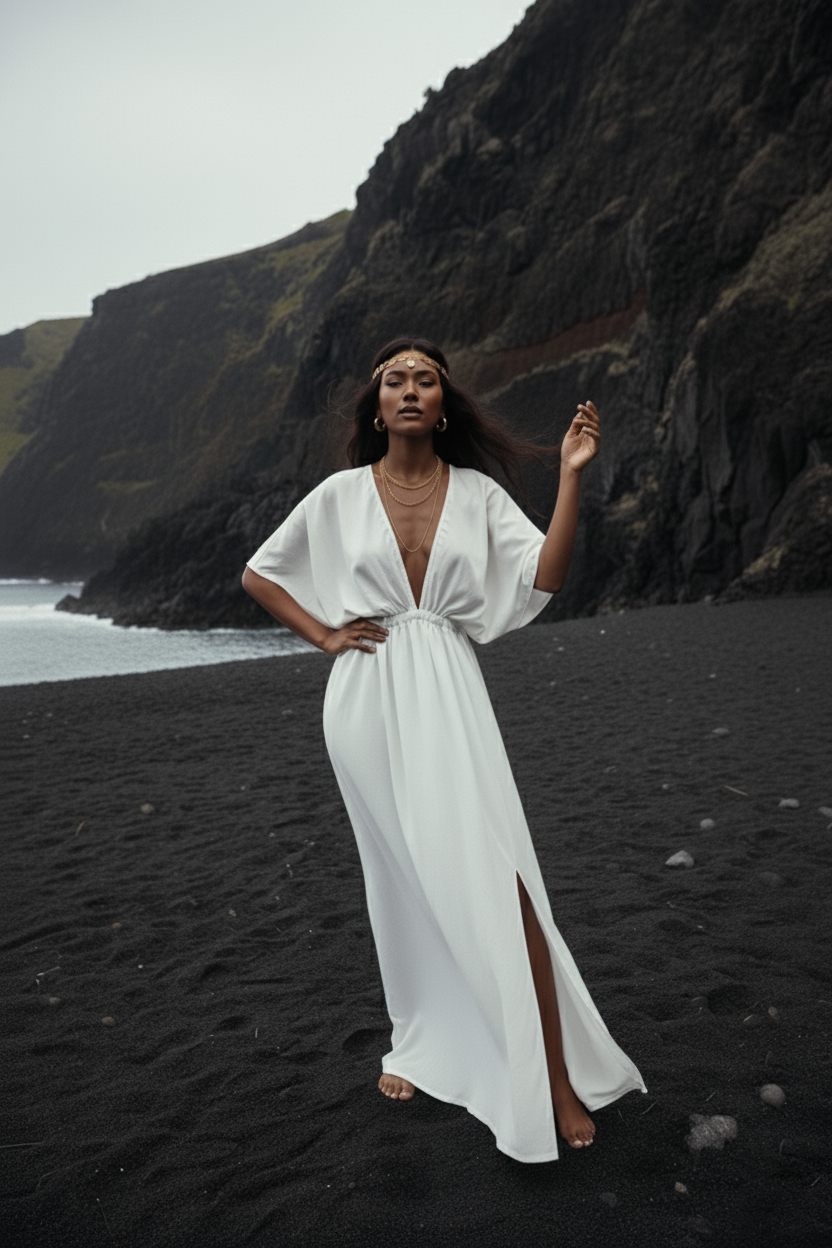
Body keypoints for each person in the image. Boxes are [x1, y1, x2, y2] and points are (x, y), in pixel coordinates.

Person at [242, 337, 645, 1163]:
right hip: (365, 698)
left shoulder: (480, 496)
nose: (412, 390)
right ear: (377, 404)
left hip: (451, 694)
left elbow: (547, 576)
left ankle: (555, 1075)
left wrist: (571, 476)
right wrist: (322, 633)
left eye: (426, 379)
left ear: (445, 402)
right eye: (395, 379)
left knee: (503, 874)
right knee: (404, 880)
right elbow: (261, 573)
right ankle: (421, 1038)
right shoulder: (340, 494)